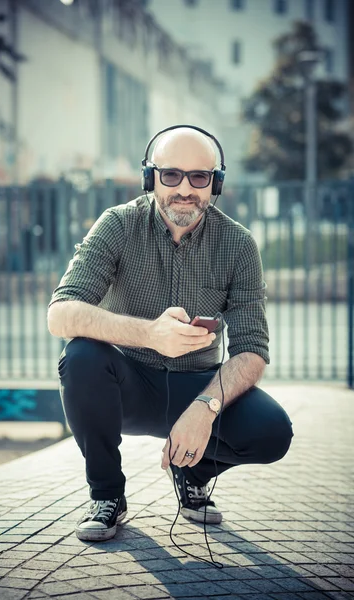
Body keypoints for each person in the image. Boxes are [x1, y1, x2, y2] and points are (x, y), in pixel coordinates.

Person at [47, 125, 293, 543]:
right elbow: (60, 314)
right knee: (82, 357)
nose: (185, 188)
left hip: (197, 385)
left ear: (215, 183)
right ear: (151, 177)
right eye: (171, 175)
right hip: (129, 386)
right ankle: (107, 495)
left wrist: (205, 408)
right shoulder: (117, 226)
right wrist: (150, 334)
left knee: (272, 431)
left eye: (199, 177)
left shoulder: (239, 245)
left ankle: (192, 471)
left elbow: (252, 350)